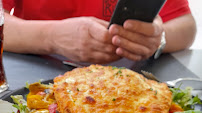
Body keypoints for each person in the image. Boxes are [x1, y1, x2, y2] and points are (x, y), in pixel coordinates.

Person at [3, 0, 196, 64]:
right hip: (34, 68)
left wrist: (157, 37)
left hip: (131, 79)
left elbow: (186, 25)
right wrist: (51, 36)